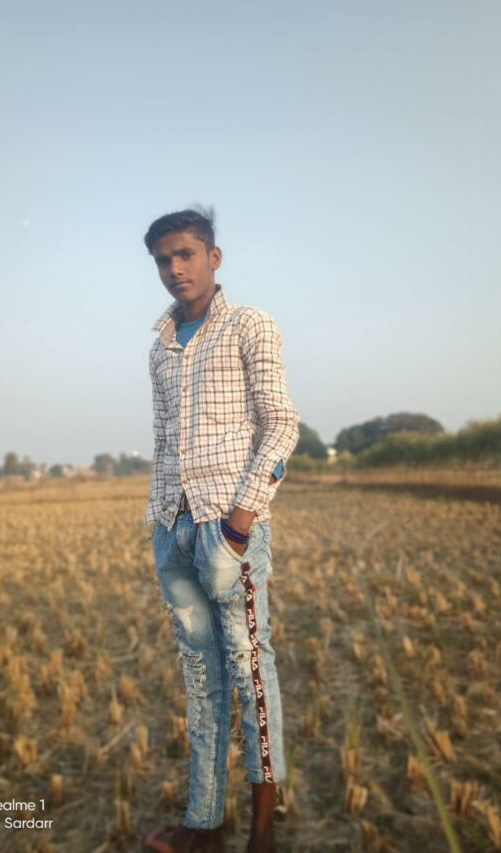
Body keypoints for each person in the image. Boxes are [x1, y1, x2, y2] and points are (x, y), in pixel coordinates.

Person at [141, 208, 300, 853]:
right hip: (172, 529)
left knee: (249, 673)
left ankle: (262, 834)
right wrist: (162, 521)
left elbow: (281, 425)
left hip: (227, 531)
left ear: (214, 257)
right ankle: (203, 825)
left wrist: (240, 523)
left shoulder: (248, 324)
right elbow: (163, 440)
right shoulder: (160, 346)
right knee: (199, 677)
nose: (174, 268)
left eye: (185, 254)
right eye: (163, 259)